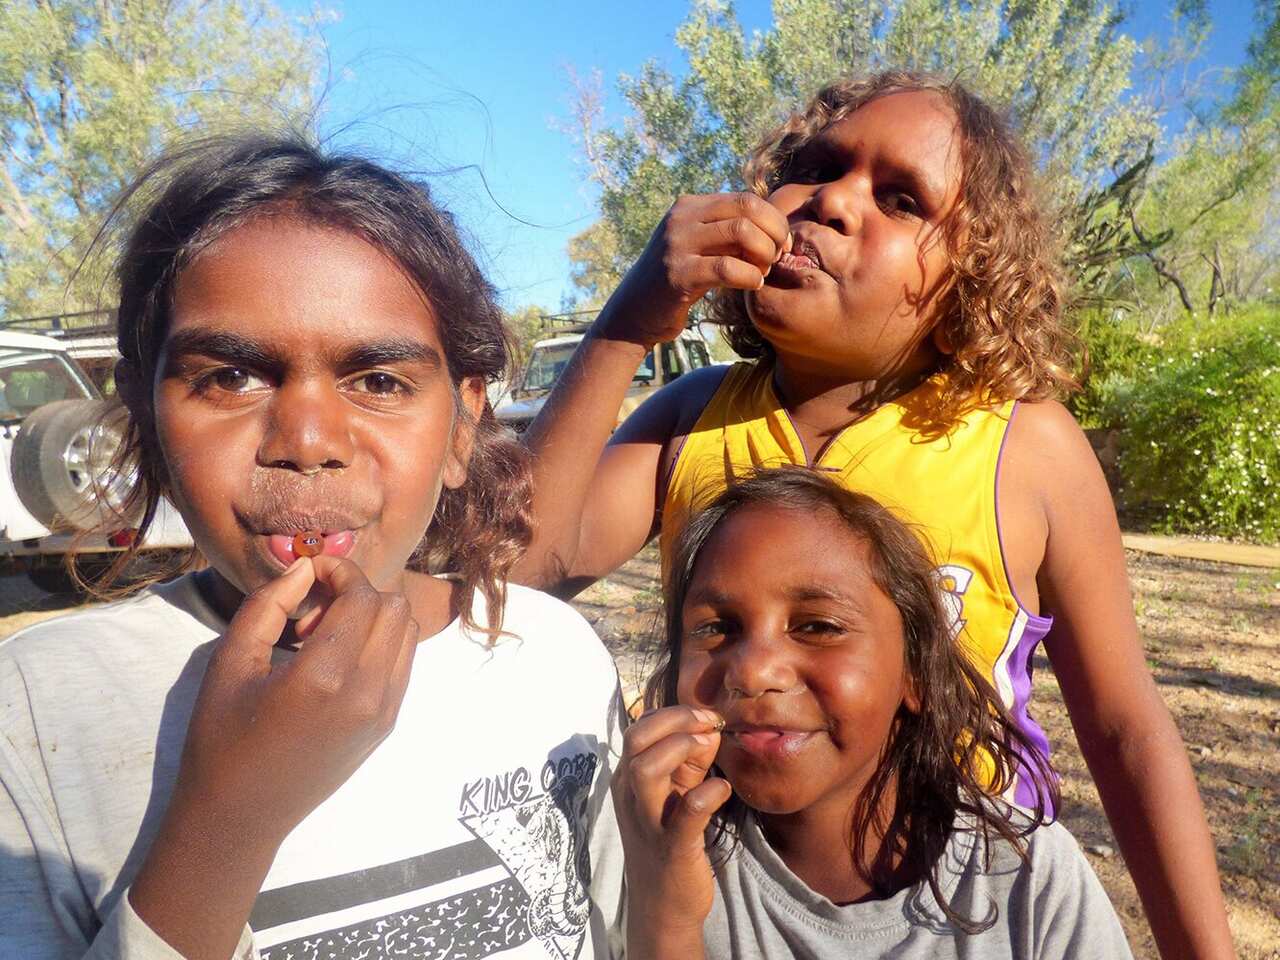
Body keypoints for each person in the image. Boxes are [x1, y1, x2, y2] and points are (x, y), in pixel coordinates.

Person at [517, 72, 1234, 958]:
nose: (831, 202)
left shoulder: (1026, 448)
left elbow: (1125, 729)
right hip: (716, 907)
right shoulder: (691, 418)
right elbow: (521, 570)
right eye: (816, 167)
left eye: (901, 198)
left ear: (970, 279)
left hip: (953, 920)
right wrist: (629, 323)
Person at [0, 135, 624, 960]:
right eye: (229, 377)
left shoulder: (553, 654)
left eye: (379, 382)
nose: (307, 441)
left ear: (463, 426)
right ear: (145, 418)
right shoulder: (36, 708)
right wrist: (229, 820)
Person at [614, 467, 1132, 959]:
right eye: (716, 627)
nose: (752, 673)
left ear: (916, 673)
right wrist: (668, 917)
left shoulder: (1029, 877)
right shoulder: (662, 857)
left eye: (817, 626)